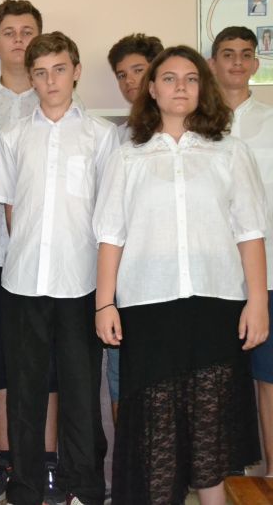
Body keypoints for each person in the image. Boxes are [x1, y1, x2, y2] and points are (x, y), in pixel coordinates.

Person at [95, 45, 266, 504]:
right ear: (152, 89)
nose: (181, 87)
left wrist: (257, 302)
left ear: (202, 88)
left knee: (210, 431)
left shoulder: (230, 152)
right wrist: (104, 303)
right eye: (169, 78)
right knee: (157, 432)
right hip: (148, 307)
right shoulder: (127, 157)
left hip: (216, 303)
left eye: (191, 79)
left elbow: (250, 232)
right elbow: (111, 235)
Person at [0, 31, 115, 505]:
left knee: (81, 393)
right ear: (31, 78)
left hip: (81, 282)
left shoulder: (101, 135)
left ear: (76, 71)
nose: (50, 81)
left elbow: (110, 215)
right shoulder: (14, 135)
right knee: (25, 393)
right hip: (23, 282)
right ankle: (25, 489)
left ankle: (83, 487)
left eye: (59, 70)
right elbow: (10, 208)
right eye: (40, 73)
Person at [0, 0, 64, 503]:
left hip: (50, 255)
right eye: (10, 32)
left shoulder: (59, 101)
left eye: (29, 31)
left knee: (47, 360)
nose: (20, 40)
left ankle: (46, 463)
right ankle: (6, 461)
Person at [209, 26, 273, 478]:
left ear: (255, 63)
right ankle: (226, 480)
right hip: (214, 277)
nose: (236, 62)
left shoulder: (271, 122)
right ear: (212, 63)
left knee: (268, 378)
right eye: (227, 54)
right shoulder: (198, 126)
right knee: (217, 384)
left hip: (267, 272)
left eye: (245, 54)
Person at [104, 33, 164, 424]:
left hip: (171, 280)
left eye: (138, 71)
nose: (130, 82)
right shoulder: (117, 138)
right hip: (126, 278)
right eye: (122, 75)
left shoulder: (190, 135)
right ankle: (128, 458)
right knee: (121, 374)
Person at [107, 33, 164, 144]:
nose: (128, 80)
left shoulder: (179, 125)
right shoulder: (118, 136)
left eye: (138, 70)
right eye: (122, 75)